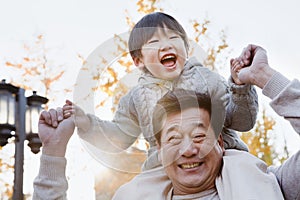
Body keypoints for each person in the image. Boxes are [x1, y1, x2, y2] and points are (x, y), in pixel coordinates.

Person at [33, 44, 299, 199]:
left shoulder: (271, 184)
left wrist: (264, 77)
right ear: (159, 151)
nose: (188, 149)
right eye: (173, 138)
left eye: (198, 136)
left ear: (220, 142)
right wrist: (53, 151)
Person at [62, 12, 257, 196]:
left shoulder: (207, 79)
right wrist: (87, 123)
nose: (166, 46)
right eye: (154, 42)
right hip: (163, 168)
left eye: (173, 38)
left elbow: (241, 121)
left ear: (187, 49)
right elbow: (119, 137)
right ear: (139, 60)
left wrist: (240, 87)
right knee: (131, 193)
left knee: (249, 173)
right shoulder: (136, 98)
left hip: (221, 160)